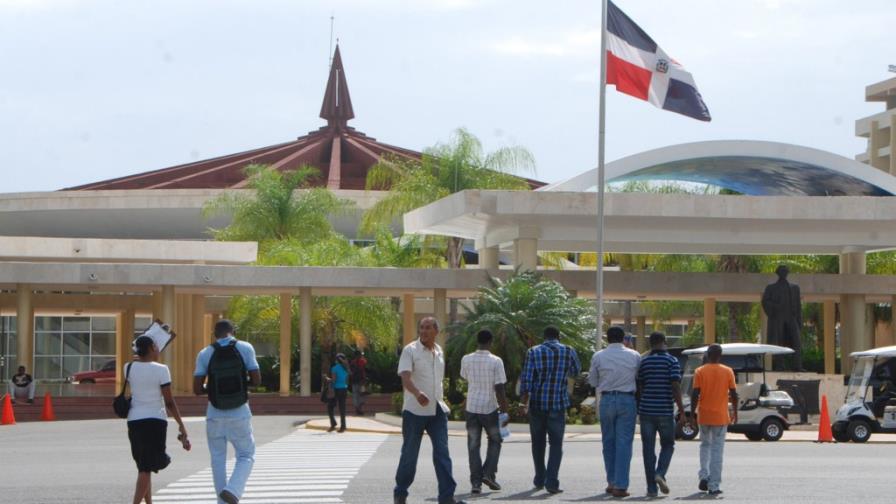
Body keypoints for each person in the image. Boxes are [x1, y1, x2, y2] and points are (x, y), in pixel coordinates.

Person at [393, 317, 466, 504]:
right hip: (414, 411)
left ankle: (447, 496)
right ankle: (401, 493)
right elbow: (406, 378)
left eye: (428, 328)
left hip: (437, 410)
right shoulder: (410, 350)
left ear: (436, 331)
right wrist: (417, 394)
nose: (423, 331)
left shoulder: (439, 351)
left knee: (442, 453)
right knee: (409, 455)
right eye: (421, 328)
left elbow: (437, 381)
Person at [193, 319, 261, 504]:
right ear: (233, 331)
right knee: (246, 455)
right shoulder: (245, 348)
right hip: (239, 412)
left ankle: (222, 502)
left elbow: (197, 389)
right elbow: (256, 380)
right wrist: (237, 384)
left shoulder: (205, 353)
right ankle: (233, 489)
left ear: (214, 334)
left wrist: (215, 387)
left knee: (217, 459)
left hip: (214, 413)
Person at [126, 335, 190, 504]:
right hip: (155, 421)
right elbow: (169, 401)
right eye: (155, 346)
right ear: (152, 348)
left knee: (144, 465)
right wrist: (181, 425)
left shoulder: (129, 367)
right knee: (146, 467)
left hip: (134, 420)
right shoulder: (161, 369)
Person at [519, 326, 581, 495]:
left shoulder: (533, 351)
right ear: (558, 336)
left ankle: (539, 478)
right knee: (556, 444)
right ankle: (552, 482)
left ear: (544, 337)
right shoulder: (568, 351)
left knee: (537, 444)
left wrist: (523, 402)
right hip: (557, 404)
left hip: (537, 404)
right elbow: (576, 371)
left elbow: (527, 379)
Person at [588, 326, 641, 498]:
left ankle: (611, 481)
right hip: (627, 399)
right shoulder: (634, 355)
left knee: (608, 442)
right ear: (623, 338)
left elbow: (593, 381)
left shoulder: (598, 356)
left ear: (607, 338)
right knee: (624, 443)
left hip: (607, 399)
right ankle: (620, 485)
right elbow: (639, 378)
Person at [459, 329, 510, 495]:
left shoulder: (466, 359)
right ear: (491, 342)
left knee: (473, 446)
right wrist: (504, 410)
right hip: (489, 408)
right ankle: (488, 474)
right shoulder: (496, 361)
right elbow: (500, 387)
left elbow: (466, 377)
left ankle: (476, 483)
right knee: (495, 440)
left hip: (472, 407)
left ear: (477, 341)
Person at [637, 331, 684, 497]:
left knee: (648, 450)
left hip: (646, 411)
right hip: (665, 411)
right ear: (664, 342)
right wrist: (682, 411)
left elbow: (641, 386)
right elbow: (676, 386)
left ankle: (651, 489)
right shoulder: (672, 361)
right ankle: (660, 473)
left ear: (650, 344)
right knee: (668, 445)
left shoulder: (644, 362)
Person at [688, 343, 738, 496]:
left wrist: (692, 415)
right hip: (720, 417)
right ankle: (714, 485)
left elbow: (695, 394)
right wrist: (735, 411)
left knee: (704, 446)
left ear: (707, 355)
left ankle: (704, 475)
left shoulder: (700, 371)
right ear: (720, 355)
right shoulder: (728, 371)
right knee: (717, 451)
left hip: (704, 416)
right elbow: (734, 394)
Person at [326, 353, 350, 432]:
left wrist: (327, 378)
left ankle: (333, 424)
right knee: (342, 408)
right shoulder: (346, 368)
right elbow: (346, 380)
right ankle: (343, 426)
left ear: (336, 360)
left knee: (330, 407)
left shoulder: (334, 368)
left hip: (336, 389)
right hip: (344, 389)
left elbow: (334, 380)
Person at [350, 350, 368, 415]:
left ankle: (357, 409)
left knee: (355, 395)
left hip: (354, 381)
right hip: (362, 381)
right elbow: (365, 365)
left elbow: (351, 372)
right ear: (359, 355)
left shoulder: (352, 362)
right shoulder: (362, 361)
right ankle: (360, 409)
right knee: (362, 394)